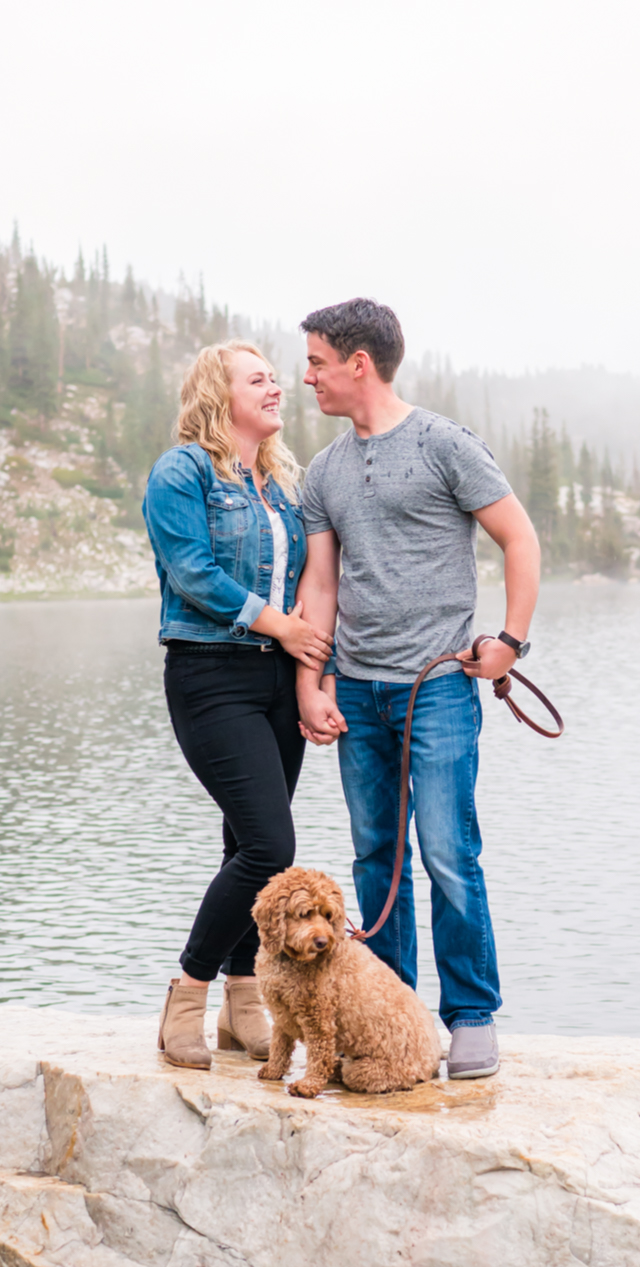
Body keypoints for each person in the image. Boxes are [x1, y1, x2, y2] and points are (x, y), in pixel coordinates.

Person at [293, 298, 541, 1081]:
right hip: (357, 693)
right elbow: (321, 585)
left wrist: (509, 642)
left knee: (447, 853)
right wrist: (311, 683)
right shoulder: (324, 471)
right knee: (376, 859)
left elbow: (519, 537)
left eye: (317, 362)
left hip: (438, 690)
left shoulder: (445, 445)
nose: (308, 377)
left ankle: (470, 1015)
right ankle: (393, 1015)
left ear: (358, 363)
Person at [143, 341, 331, 1069]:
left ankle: (242, 1002)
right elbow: (191, 572)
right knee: (270, 848)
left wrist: (311, 677)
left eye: (277, 378)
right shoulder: (183, 471)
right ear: (219, 394)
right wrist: (279, 624)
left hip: (278, 680)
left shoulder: (282, 485)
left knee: (242, 845)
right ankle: (187, 993)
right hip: (210, 674)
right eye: (259, 380)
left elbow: (313, 580)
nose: (277, 388)